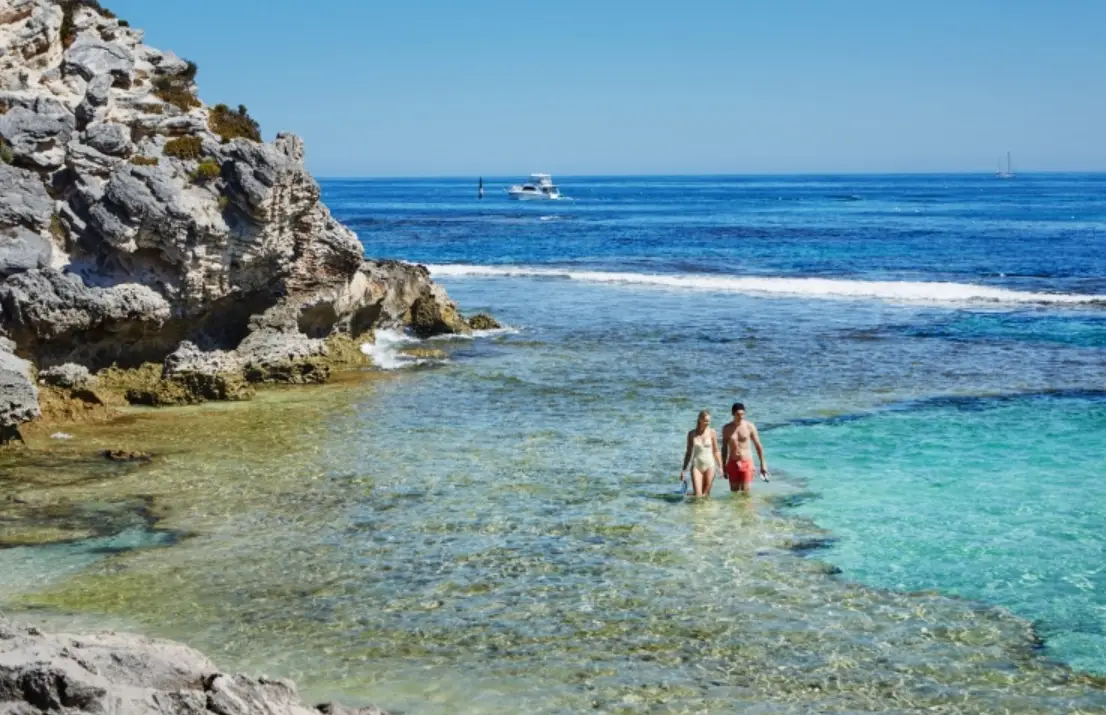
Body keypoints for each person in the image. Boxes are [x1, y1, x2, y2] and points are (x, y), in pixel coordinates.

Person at [721, 402, 768, 492]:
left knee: (745, 493)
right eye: (738, 414)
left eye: (742, 414)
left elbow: (758, 445)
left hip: (746, 462)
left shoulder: (749, 426)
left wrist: (763, 464)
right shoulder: (727, 428)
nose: (741, 417)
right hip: (733, 462)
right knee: (734, 493)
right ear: (733, 414)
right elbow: (724, 448)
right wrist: (723, 466)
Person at [680, 410, 723, 497]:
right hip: (696, 466)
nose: (708, 423)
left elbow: (716, 451)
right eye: (706, 421)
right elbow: (688, 453)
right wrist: (684, 470)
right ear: (700, 420)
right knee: (698, 495)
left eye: (709, 421)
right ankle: (692, 498)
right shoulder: (691, 434)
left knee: (706, 494)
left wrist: (720, 467)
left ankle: (703, 506)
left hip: (710, 466)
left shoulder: (712, 432)